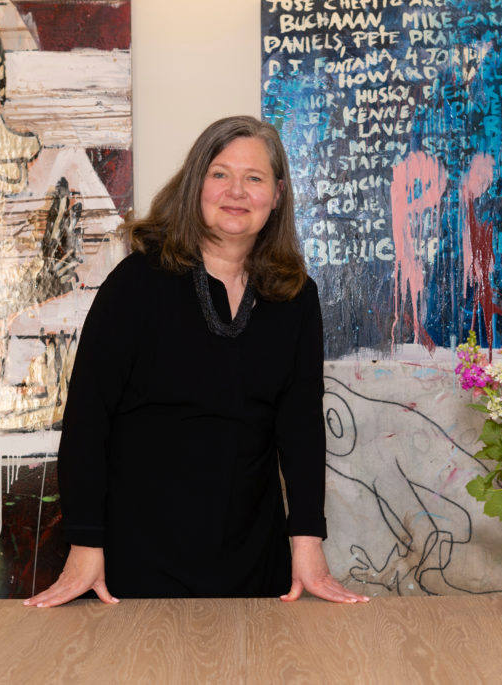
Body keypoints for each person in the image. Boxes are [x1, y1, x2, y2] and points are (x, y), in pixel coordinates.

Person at [24, 115, 369, 606]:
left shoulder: (296, 296)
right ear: (195, 185)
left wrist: (308, 543)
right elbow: (88, 419)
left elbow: (301, 429)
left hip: (256, 562)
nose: (237, 191)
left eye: (254, 178)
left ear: (277, 194)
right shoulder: (137, 283)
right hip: (136, 560)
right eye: (220, 174)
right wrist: (85, 543)